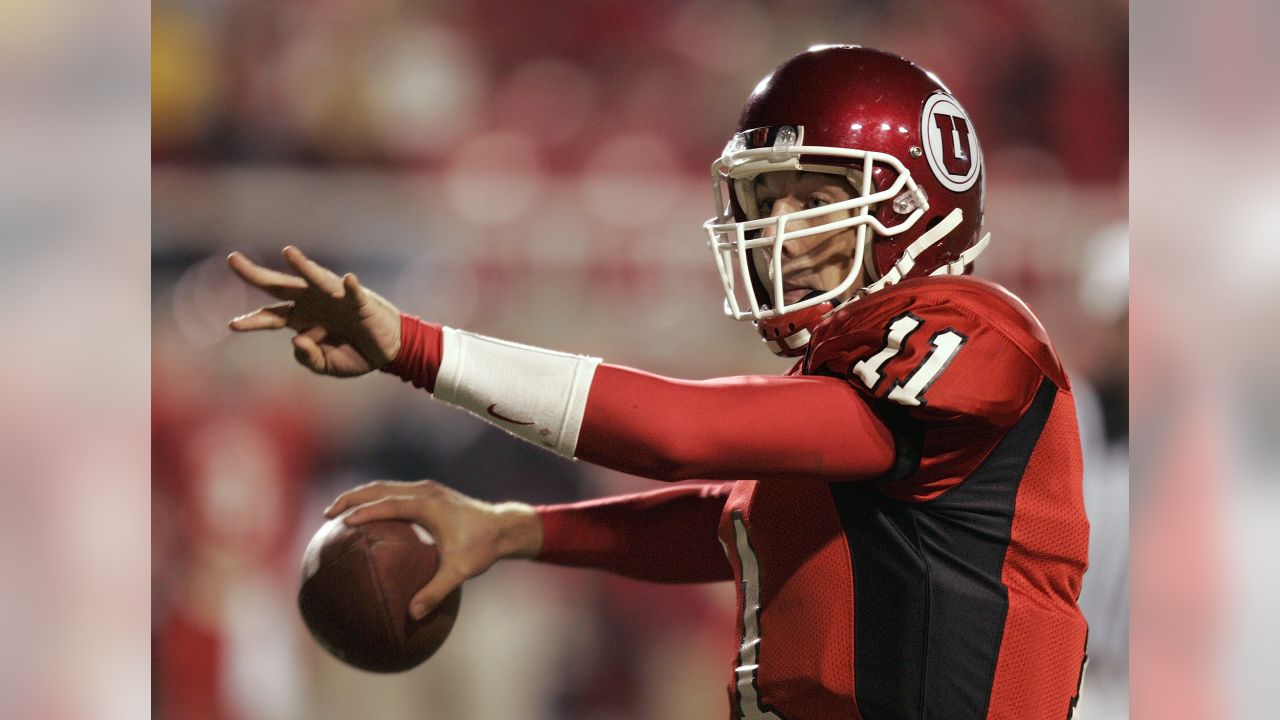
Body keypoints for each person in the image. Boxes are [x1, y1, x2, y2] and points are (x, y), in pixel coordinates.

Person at [228, 46, 1089, 720]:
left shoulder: (979, 335)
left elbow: (684, 437)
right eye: (767, 203)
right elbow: (741, 522)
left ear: (914, 208)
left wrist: (414, 348)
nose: (778, 235)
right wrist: (514, 531)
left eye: (813, 198)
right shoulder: (844, 391)